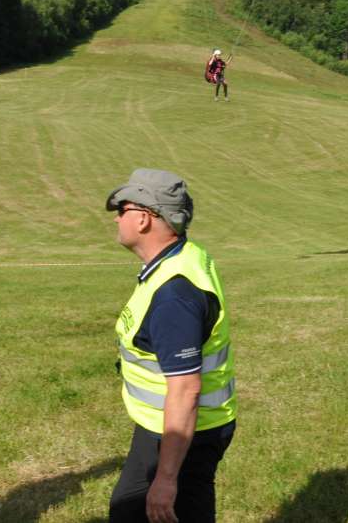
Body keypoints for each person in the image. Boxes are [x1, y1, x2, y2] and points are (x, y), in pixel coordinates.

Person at [105, 169, 236, 523]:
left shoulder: (174, 296)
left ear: (144, 219)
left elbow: (185, 389)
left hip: (183, 433)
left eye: (122, 210)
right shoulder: (182, 256)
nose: (117, 219)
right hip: (168, 425)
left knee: (146, 511)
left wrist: (165, 479)